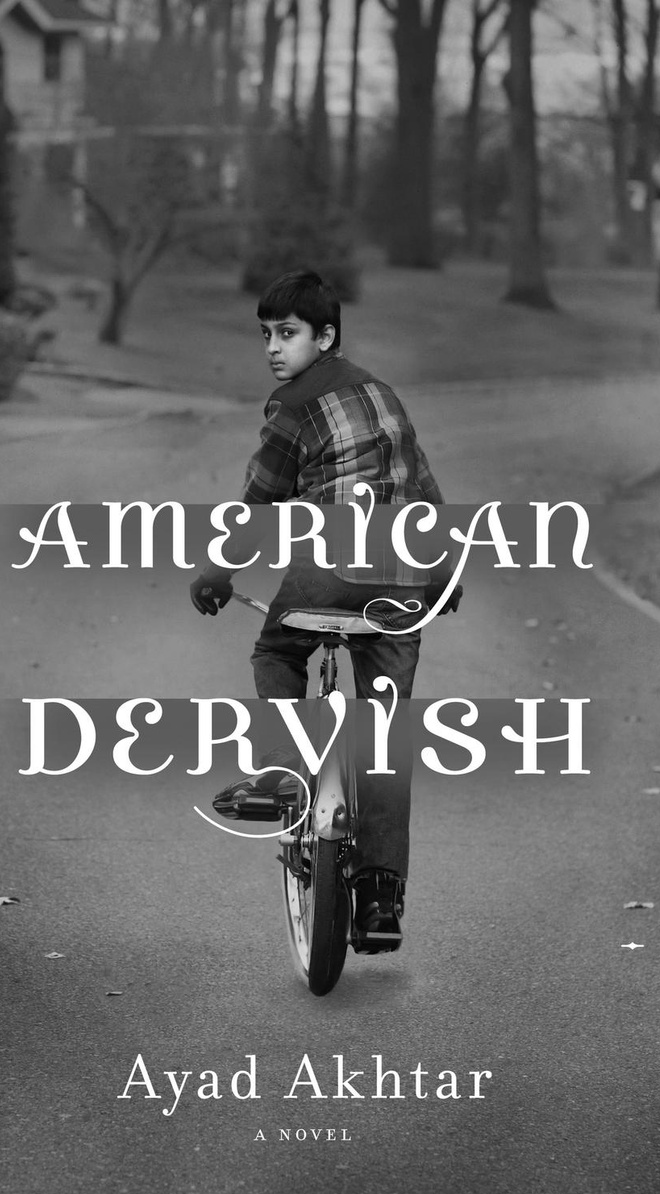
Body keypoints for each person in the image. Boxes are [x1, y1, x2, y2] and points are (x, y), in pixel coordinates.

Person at [190, 269, 460, 943]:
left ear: (326, 337)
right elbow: (423, 490)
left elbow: (259, 502)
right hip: (401, 580)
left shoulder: (293, 407)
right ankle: (379, 899)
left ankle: (285, 769)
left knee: (276, 649)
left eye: (287, 333)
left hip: (330, 571)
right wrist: (445, 575)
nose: (272, 348)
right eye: (265, 334)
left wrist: (218, 573)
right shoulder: (383, 393)